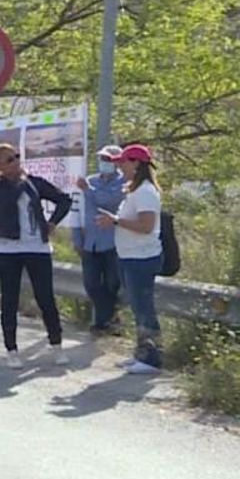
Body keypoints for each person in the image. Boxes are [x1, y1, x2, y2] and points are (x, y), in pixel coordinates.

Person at [0, 143, 73, 369]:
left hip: (37, 247)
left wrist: (52, 222)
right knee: (10, 299)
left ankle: (56, 345)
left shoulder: (35, 183)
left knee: (45, 298)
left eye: (16, 157)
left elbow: (64, 200)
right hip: (9, 248)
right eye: (9, 159)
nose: (16, 162)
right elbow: (5, 203)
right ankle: (12, 350)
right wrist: (20, 182)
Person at [95, 144, 163, 374]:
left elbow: (146, 226)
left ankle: (152, 359)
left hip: (142, 258)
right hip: (129, 256)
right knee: (137, 307)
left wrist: (115, 221)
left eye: (123, 162)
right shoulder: (134, 190)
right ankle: (141, 354)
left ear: (136, 163)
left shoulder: (145, 191)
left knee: (144, 308)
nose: (120, 167)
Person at [75, 145, 126, 335]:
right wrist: (77, 238)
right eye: (102, 159)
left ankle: (103, 322)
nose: (104, 163)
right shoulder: (90, 181)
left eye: (109, 160)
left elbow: (108, 201)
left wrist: (88, 190)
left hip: (113, 242)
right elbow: (78, 210)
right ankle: (110, 317)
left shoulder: (123, 182)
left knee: (112, 283)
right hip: (90, 242)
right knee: (91, 284)